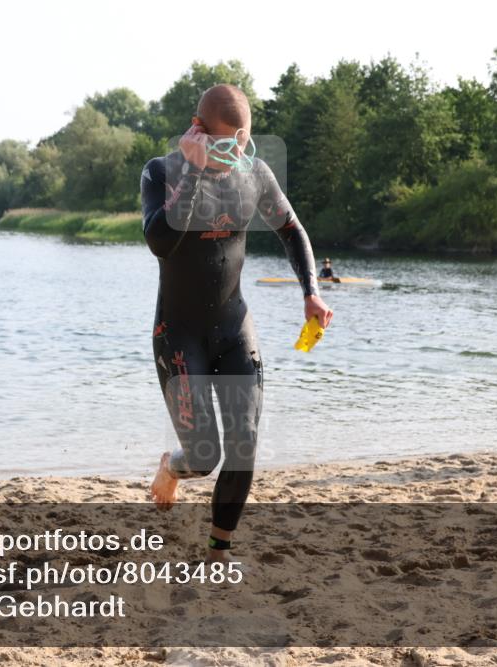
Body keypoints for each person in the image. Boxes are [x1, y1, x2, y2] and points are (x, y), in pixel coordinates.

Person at [141, 84, 333, 563]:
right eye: (222, 145)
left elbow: (292, 229)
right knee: (203, 457)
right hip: (178, 334)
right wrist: (196, 174)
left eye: (240, 145)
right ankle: (173, 466)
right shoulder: (162, 172)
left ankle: (217, 550)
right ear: (197, 131)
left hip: (233, 326)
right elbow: (161, 243)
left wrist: (310, 291)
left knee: (244, 441)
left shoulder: (254, 174)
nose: (233, 156)